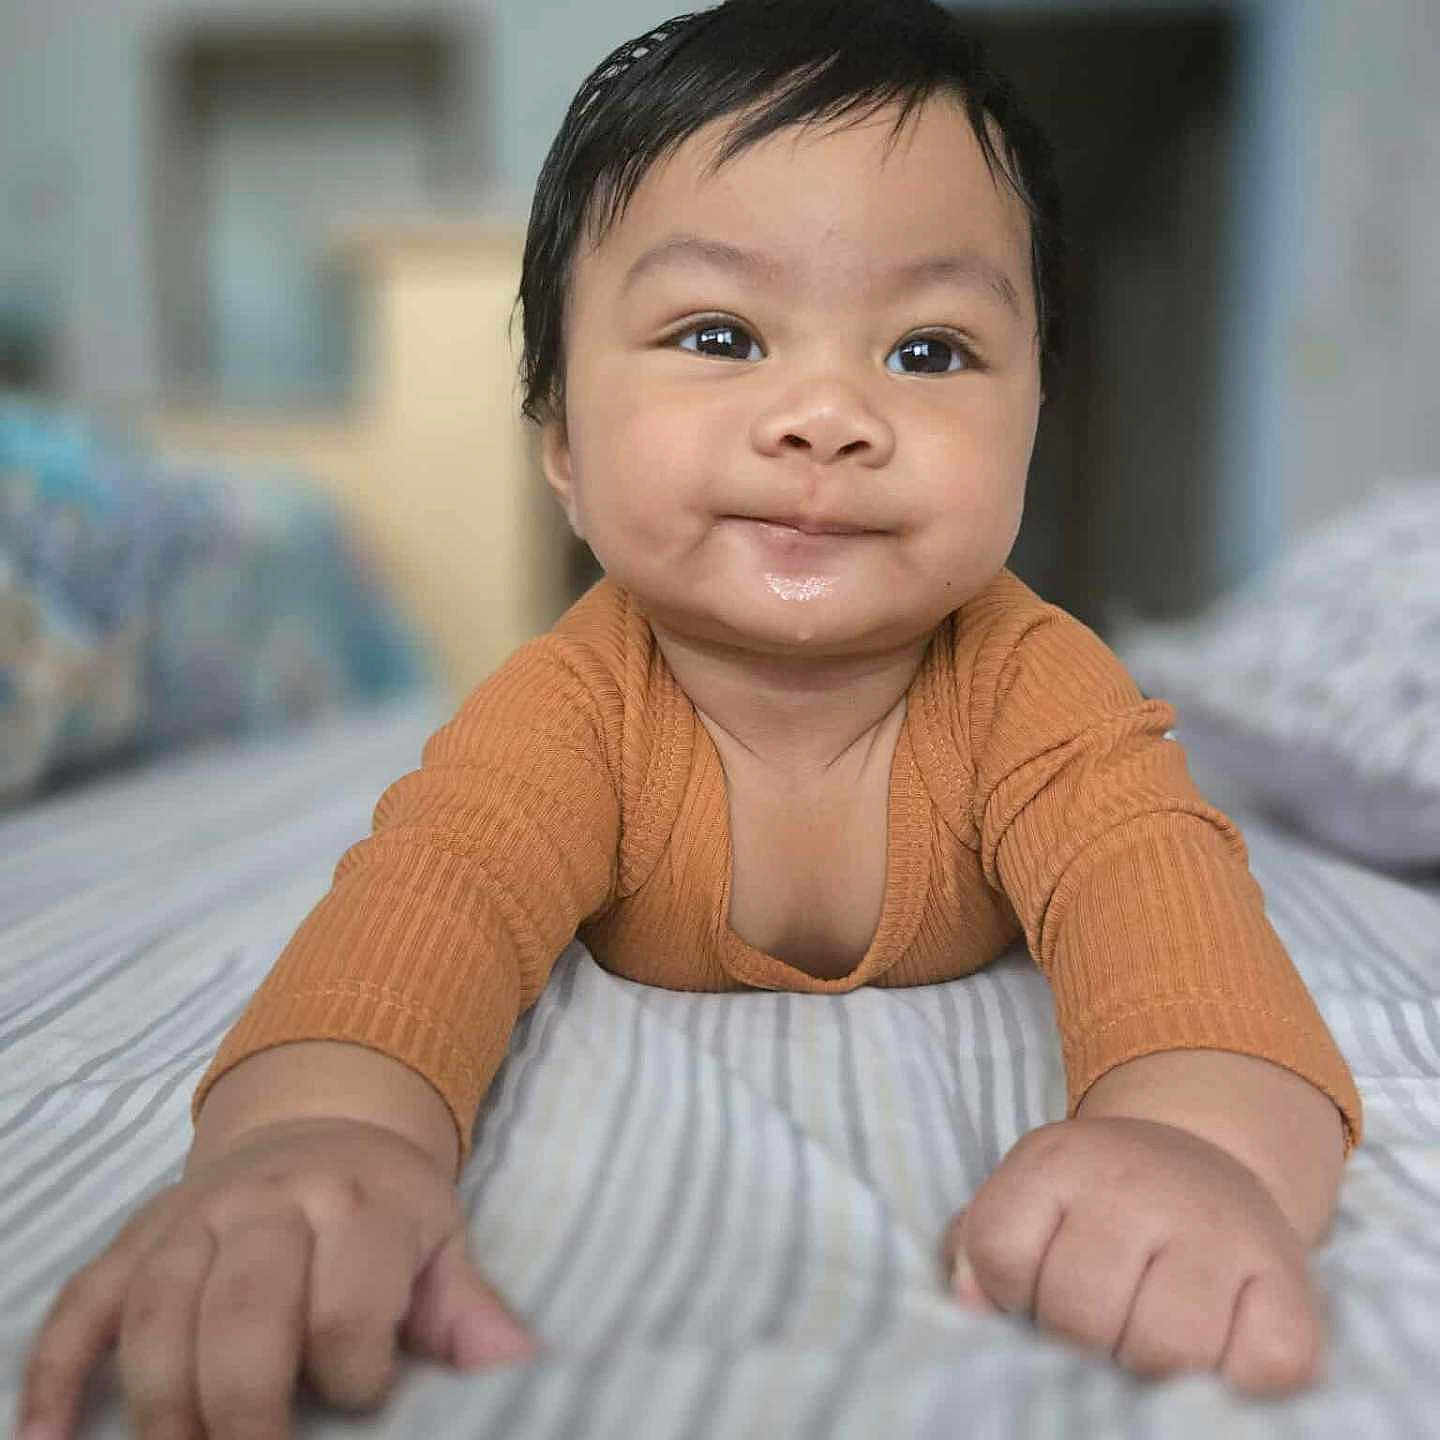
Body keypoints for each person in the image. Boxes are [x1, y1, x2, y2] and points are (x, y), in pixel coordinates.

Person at [18, 2, 1362, 1435]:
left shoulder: (1034, 687)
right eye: (719, 334)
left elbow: (1173, 922)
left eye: (930, 352)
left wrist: (1191, 1146)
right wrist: (317, 1143)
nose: (826, 414)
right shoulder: (575, 707)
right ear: (564, 448)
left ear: (1035, 416)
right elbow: (419, 922)